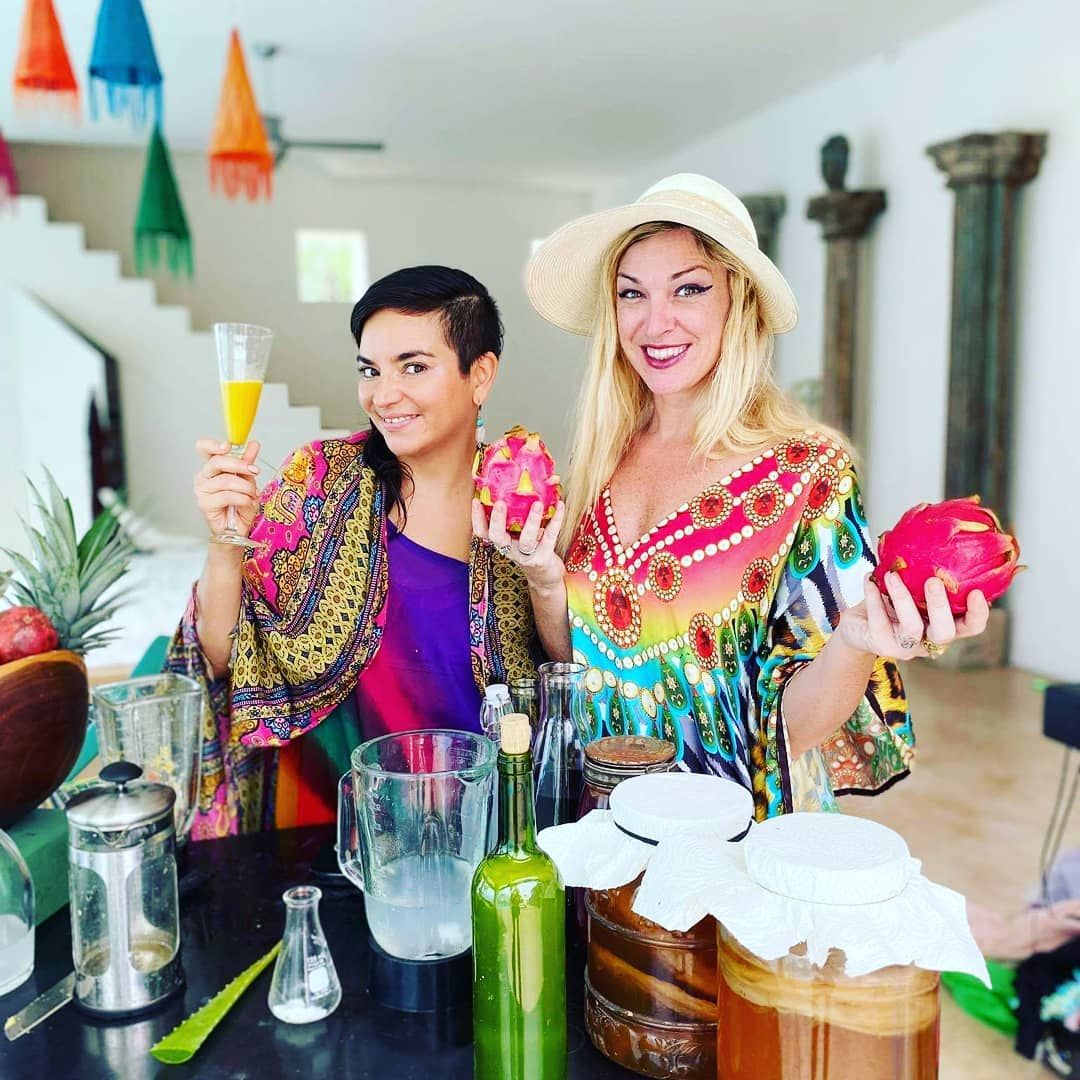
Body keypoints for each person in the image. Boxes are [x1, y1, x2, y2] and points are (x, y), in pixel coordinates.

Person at [516, 174, 990, 819]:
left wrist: (855, 644)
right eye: (633, 294)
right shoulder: (603, 457)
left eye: (689, 288)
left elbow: (796, 730)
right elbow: (587, 667)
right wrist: (545, 577)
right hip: (603, 827)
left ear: (739, 303)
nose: (657, 322)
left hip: (737, 843)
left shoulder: (806, 474)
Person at [167, 266, 570, 839]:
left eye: (414, 367)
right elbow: (225, 658)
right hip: (334, 832)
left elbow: (570, 679)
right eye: (370, 370)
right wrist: (226, 541)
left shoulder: (524, 499)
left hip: (492, 832)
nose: (384, 395)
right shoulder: (323, 482)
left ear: (479, 375)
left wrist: (544, 582)